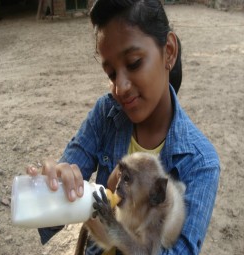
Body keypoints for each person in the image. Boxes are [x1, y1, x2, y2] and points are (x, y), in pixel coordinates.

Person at [27, 0, 220, 254]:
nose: (120, 88)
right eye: (111, 74)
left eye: (133, 63)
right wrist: (54, 187)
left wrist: (110, 212)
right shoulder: (106, 114)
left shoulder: (200, 163)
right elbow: (55, 211)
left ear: (169, 51)